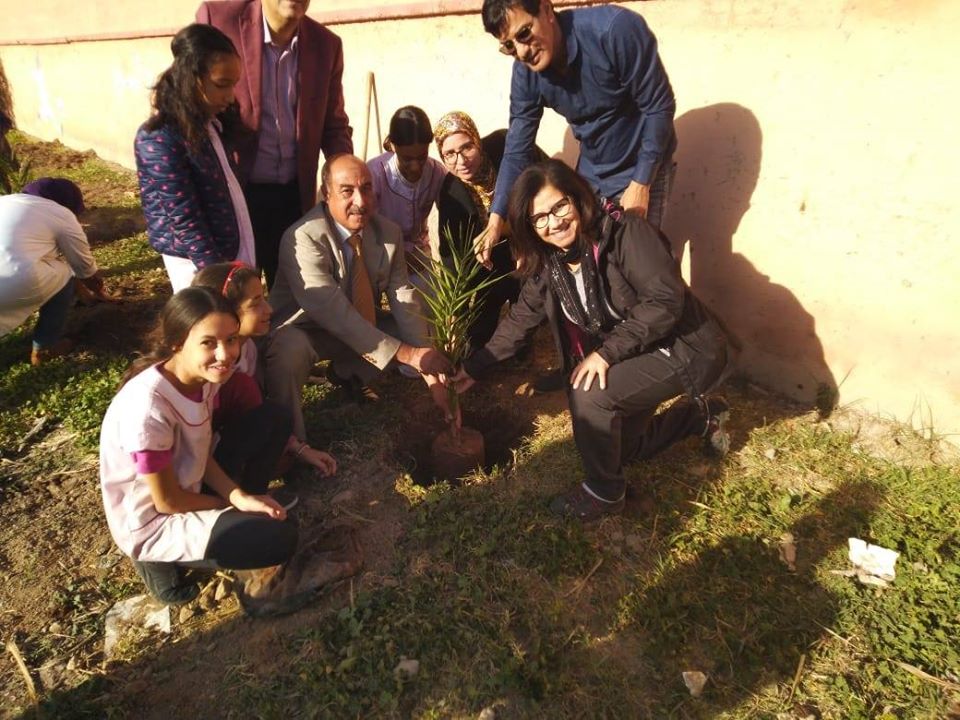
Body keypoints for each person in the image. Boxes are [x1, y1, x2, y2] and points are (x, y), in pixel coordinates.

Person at [451, 160, 731, 522]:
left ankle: (605, 493)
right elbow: (521, 319)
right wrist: (475, 365)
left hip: (685, 348)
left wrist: (606, 353)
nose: (554, 222)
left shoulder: (624, 233)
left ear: (576, 198)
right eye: (540, 218)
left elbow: (665, 301)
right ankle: (701, 416)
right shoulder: (550, 261)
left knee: (588, 391)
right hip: (640, 349)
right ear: (529, 226)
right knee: (622, 448)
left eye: (560, 206)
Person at [99, 287, 358, 614]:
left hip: (188, 485)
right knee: (280, 539)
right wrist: (233, 503)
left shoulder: (203, 379)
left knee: (274, 418)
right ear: (177, 342)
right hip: (156, 517)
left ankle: (242, 517)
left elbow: (200, 452)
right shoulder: (148, 409)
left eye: (232, 339)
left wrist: (239, 497)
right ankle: (156, 562)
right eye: (209, 342)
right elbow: (168, 501)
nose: (225, 354)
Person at [474, 0, 677, 267]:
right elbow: (517, 147)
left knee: (643, 265)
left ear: (546, 10)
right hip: (592, 171)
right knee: (590, 264)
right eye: (509, 46)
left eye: (524, 33)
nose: (522, 52)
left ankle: (682, 307)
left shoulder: (614, 30)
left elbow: (658, 107)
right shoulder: (525, 71)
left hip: (644, 164)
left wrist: (640, 185)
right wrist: (496, 219)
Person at [267, 154, 451, 440]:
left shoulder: (387, 233)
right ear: (326, 195)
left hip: (358, 322)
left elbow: (403, 299)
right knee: (288, 352)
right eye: (347, 191)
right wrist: (408, 354)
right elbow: (332, 313)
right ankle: (290, 444)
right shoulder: (302, 237)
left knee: (413, 325)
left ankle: (346, 375)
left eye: (366, 188)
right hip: (304, 329)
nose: (361, 201)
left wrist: (431, 378)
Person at [196, 0, 354, 289]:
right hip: (236, 194)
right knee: (238, 296)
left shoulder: (326, 45)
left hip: (295, 198)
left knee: (295, 293)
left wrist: (347, 183)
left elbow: (334, 125)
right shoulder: (218, 20)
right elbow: (192, 101)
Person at [135, 23, 256, 292]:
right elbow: (185, 220)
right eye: (222, 85)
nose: (230, 96)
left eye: (234, 85)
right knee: (212, 324)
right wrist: (216, 277)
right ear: (192, 78)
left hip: (230, 245)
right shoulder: (158, 138)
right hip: (196, 262)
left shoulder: (210, 124)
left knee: (239, 325)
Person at [192, 261, 338, 480]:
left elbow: (254, 407)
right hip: (194, 461)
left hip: (221, 446)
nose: (269, 309)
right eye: (256, 303)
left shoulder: (248, 349)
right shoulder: (205, 368)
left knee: (276, 423)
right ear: (227, 309)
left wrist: (298, 449)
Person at [434, 110, 547, 352]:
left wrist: (525, 241)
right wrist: (455, 314)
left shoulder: (506, 148)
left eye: (467, 148)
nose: (461, 161)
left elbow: (546, 185)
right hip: (492, 262)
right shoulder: (452, 193)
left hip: (535, 239)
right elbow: (452, 254)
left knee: (530, 304)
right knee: (477, 342)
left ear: (478, 140)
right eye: (449, 154)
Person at [0, 178, 110, 365]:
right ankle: (45, 347)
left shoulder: (5, 201)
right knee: (65, 273)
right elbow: (84, 268)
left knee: (53, 267)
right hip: (10, 285)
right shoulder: (59, 212)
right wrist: (99, 291)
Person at [368, 106, 447, 280]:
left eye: (421, 157)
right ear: (393, 146)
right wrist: (400, 255)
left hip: (417, 249)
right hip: (378, 248)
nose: (415, 167)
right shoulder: (375, 174)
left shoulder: (437, 173)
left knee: (427, 300)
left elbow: (449, 219)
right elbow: (365, 228)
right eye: (407, 159)